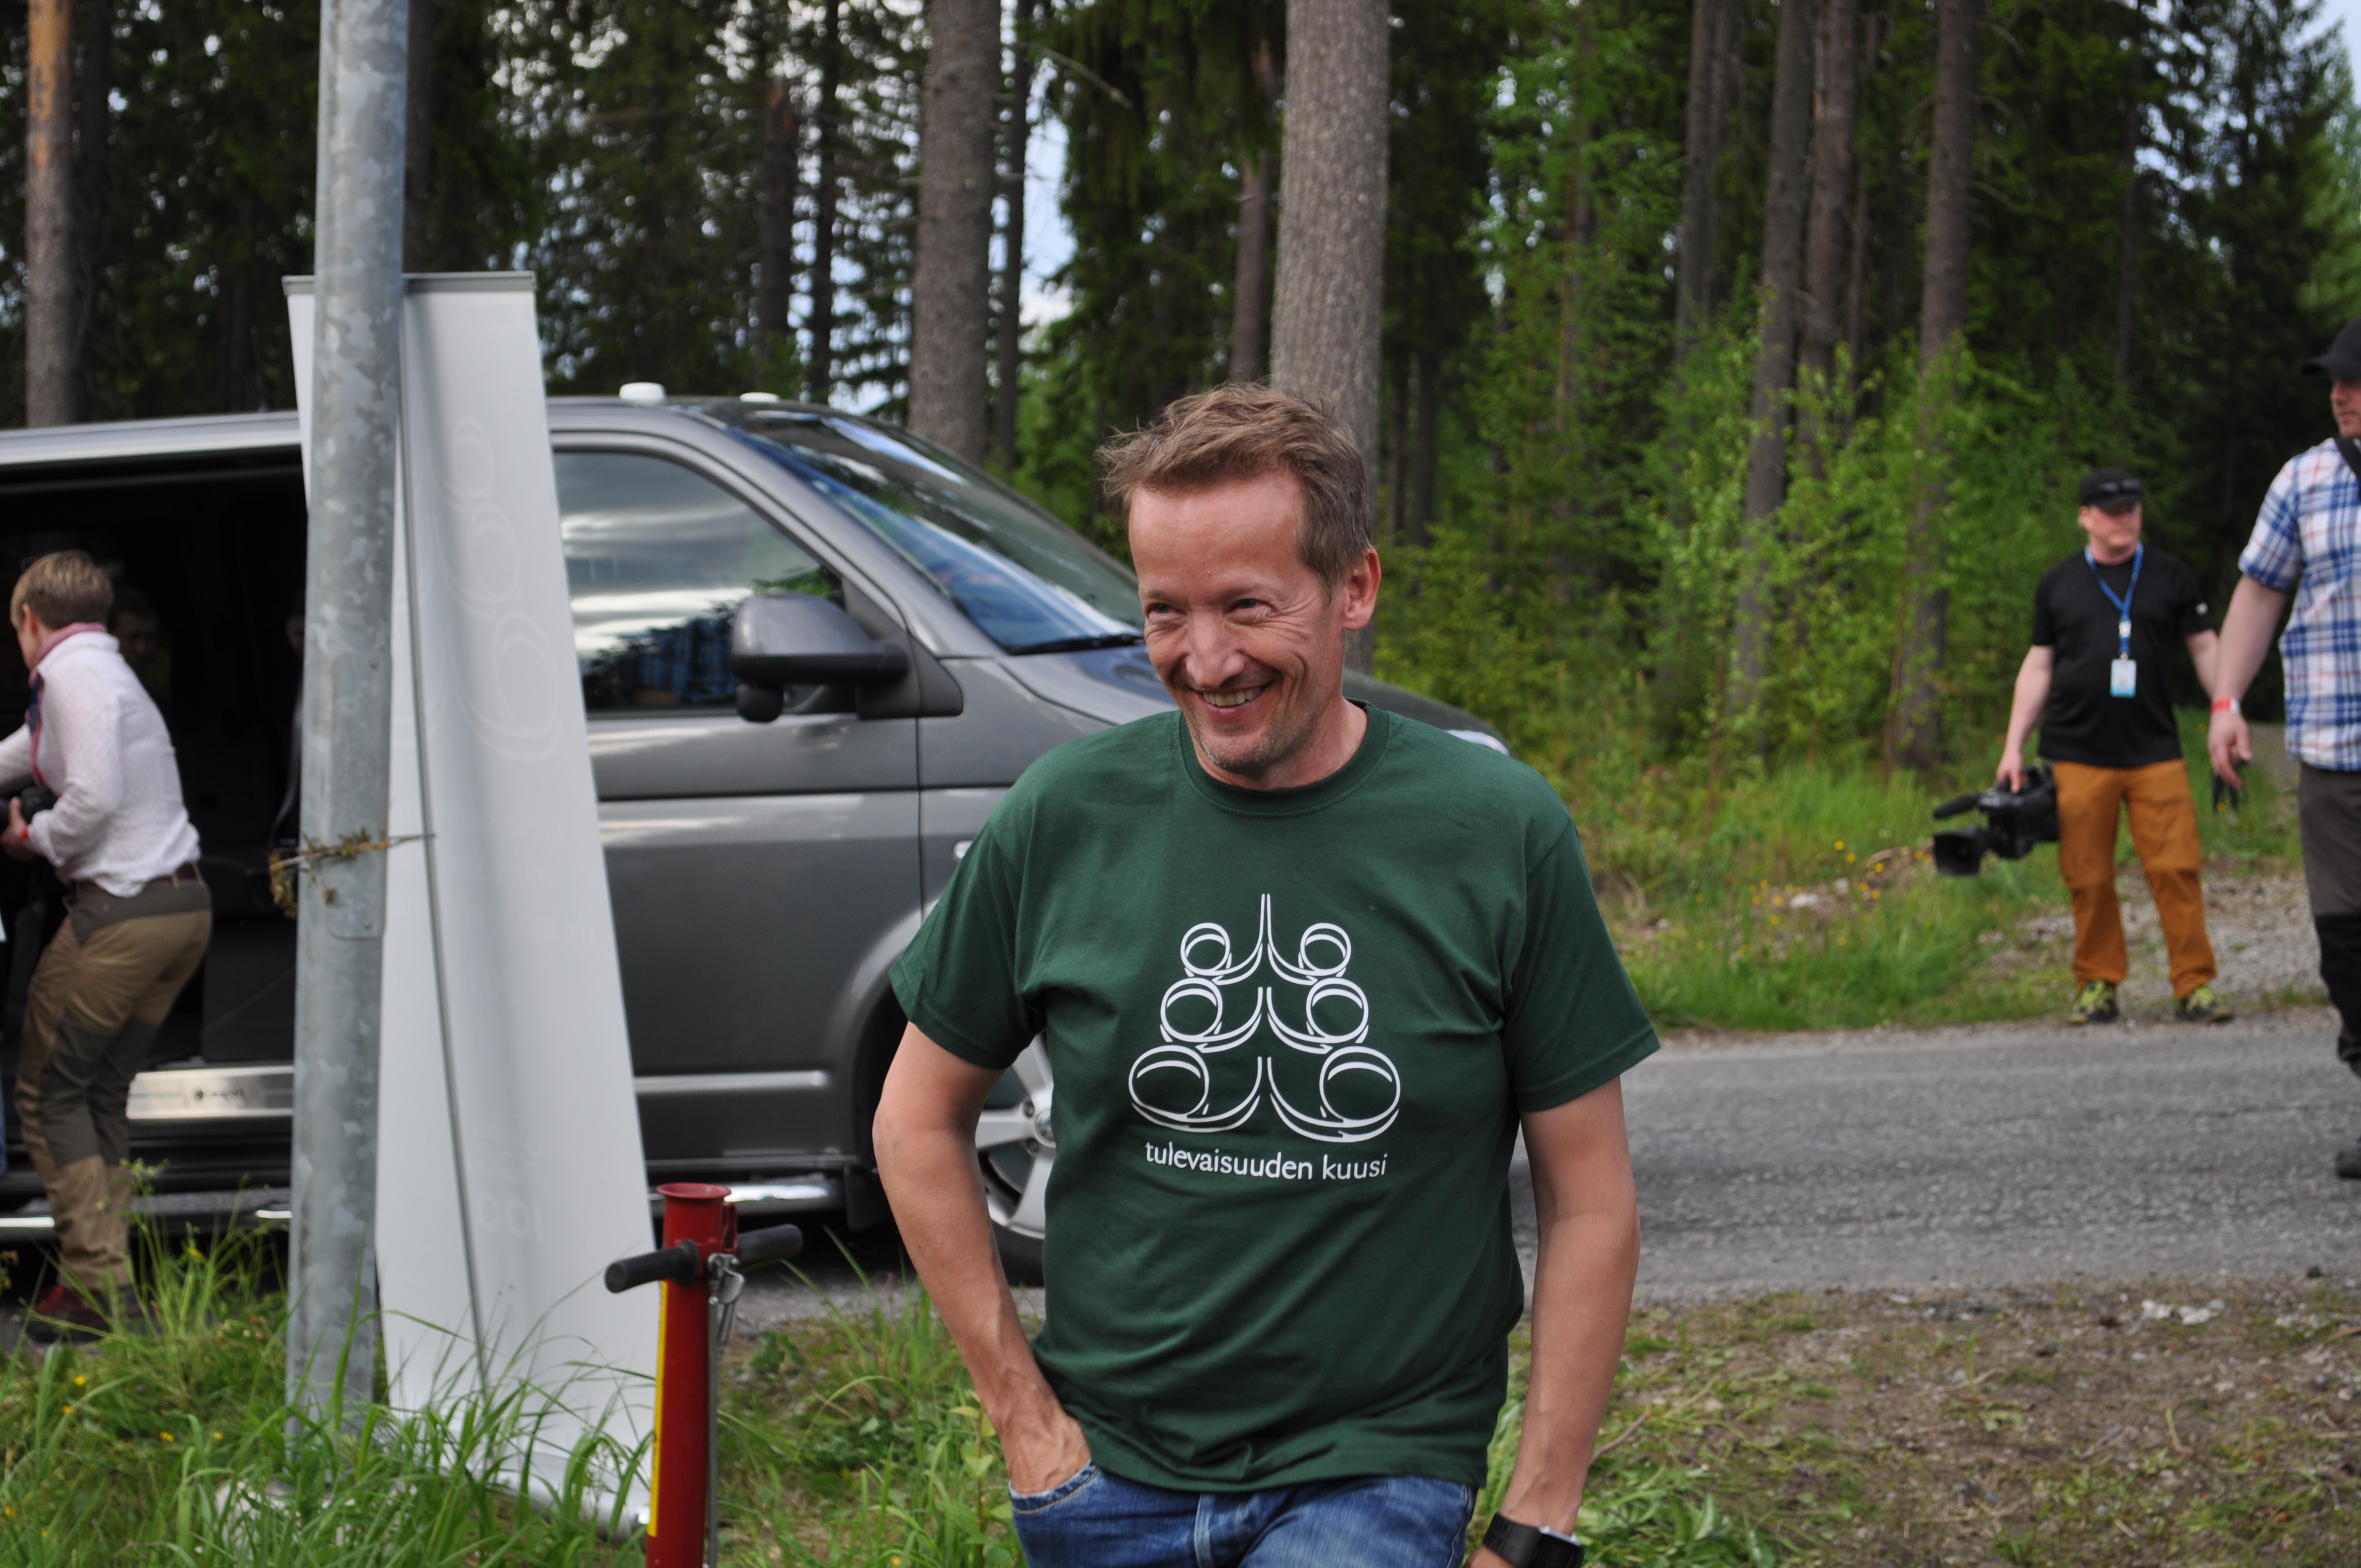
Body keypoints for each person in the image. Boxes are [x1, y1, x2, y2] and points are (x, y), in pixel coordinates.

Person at [873, 386, 1656, 1568]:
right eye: (1165, 610)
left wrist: (1535, 1524)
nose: (1205, 659)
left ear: (1354, 587)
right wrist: (1024, 1422)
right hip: (1101, 1483)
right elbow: (914, 1118)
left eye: (1247, 605)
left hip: (1372, 1470)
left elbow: (1589, 1200)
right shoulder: (1065, 816)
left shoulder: (1494, 831)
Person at [0, 552, 209, 1336]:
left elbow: (91, 797)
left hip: (121, 913)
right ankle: (109, 1279)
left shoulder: (71, 675)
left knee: (46, 1092)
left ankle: (96, 1289)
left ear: (28, 618)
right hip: (176, 908)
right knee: (92, 1094)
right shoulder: (104, 670)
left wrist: (34, 839)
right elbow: (28, 751)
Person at [2208, 317, 2361, 1178]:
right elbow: (2260, 594)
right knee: (2345, 943)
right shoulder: (2303, 481)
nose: (2340, 395)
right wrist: (2228, 703)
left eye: (2355, 381)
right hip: (2332, 750)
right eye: (2334, 381)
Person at [1998, 468, 2231, 1026]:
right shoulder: (2058, 584)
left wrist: (2228, 707)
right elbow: (2039, 665)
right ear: (2085, 517)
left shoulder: (2170, 576)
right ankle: (2097, 983)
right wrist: (2013, 746)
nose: (2124, 517)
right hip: (2078, 750)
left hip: (2155, 749)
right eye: (2111, 510)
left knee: (2176, 867)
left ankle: (2194, 984)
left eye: (2131, 507)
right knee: (2087, 874)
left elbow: (2205, 648)